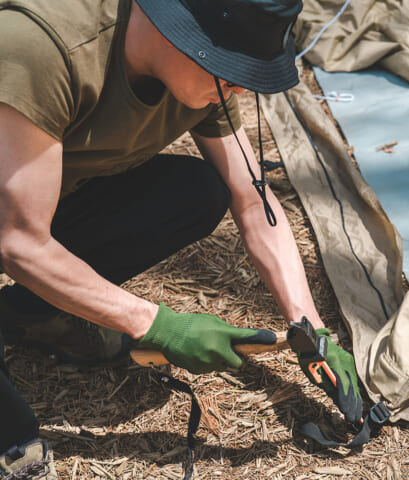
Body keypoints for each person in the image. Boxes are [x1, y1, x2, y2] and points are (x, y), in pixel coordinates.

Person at [0, 0, 363, 477]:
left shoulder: (202, 69)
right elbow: (19, 242)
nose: (236, 86)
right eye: (232, 69)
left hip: (31, 199)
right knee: (13, 430)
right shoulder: (39, 47)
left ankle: (26, 317)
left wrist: (308, 328)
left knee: (194, 192)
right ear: (178, 29)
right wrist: (155, 324)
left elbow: (252, 200)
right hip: (15, 218)